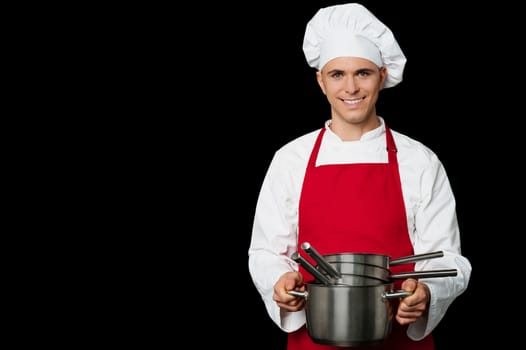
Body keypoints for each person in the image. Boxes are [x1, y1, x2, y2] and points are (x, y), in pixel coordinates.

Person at [247, 3, 472, 349]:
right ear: (321, 81)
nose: (350, 87)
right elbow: (265, 252)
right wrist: (280, 281)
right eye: (337, 74)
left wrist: (426, 291)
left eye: (363, 73)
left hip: (398, 340)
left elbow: (448, 260)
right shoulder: (291, 159)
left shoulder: (420, 161)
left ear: (382, 75)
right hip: (314, 338)